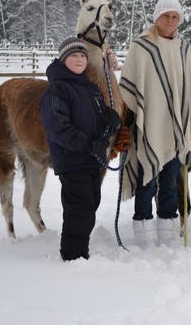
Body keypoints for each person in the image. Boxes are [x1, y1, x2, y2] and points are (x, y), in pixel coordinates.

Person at [119, 0, 191, 248]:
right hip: (149, 128)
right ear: (157, 17)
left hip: (176, 132)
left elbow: (190, 89)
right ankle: (144, 234)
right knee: (146, 183)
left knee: (169, 185)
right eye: (165, 16)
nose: (170, 20)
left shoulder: (184, 47)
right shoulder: (141, 46)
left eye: (174, 16)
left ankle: (166, 235)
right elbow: (129, 87)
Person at [40, 36, 121, 261]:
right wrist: (86, 144)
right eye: (73, 56)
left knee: (91, 203)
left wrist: (109, 121)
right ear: (63, 59)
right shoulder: (57, 90)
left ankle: (78, 249)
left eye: (82, 56)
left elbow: (96, 119)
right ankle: (73, 256)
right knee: (80, 208)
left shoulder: (91, 88)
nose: (78, 60)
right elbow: (58, 126)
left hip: (91, 159)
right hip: (72, 160)